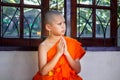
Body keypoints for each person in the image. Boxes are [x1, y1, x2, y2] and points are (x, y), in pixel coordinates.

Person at [32, 10, 86, 80]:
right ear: (48, 27)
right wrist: (58, 53)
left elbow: (78, 70)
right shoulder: (43, 46)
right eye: (59, 24)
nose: (63, 26)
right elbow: (43, 72)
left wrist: (66, 53)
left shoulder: (72, 43)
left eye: (64, 23)